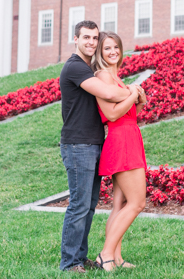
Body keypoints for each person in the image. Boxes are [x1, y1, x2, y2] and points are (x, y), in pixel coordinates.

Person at [59, 20, 140, 273]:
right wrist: (133, 91)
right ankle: (70, 263)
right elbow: (111, 95)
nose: (91, 42)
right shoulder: (75, 67)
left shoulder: (86, 66)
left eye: (94, 38)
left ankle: (81, 258)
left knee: (89, 205)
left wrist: (127, 90)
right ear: (76, 39)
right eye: (86, 38)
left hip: (94, 142)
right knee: (79, 205)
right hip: (78, 144)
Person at [91, 31, 147, 272]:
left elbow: (128, 110)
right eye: (107, 48)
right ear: (99, 53)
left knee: (119, 205)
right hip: (121, 140)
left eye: (116, 47)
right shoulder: (102, 75)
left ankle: (116, 257)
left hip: (128, 137)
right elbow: (112, 114)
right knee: (137, 203)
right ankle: (105, 255)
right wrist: (134, 94)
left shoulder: (116, 78)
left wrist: (138, 98)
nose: (113, 51)